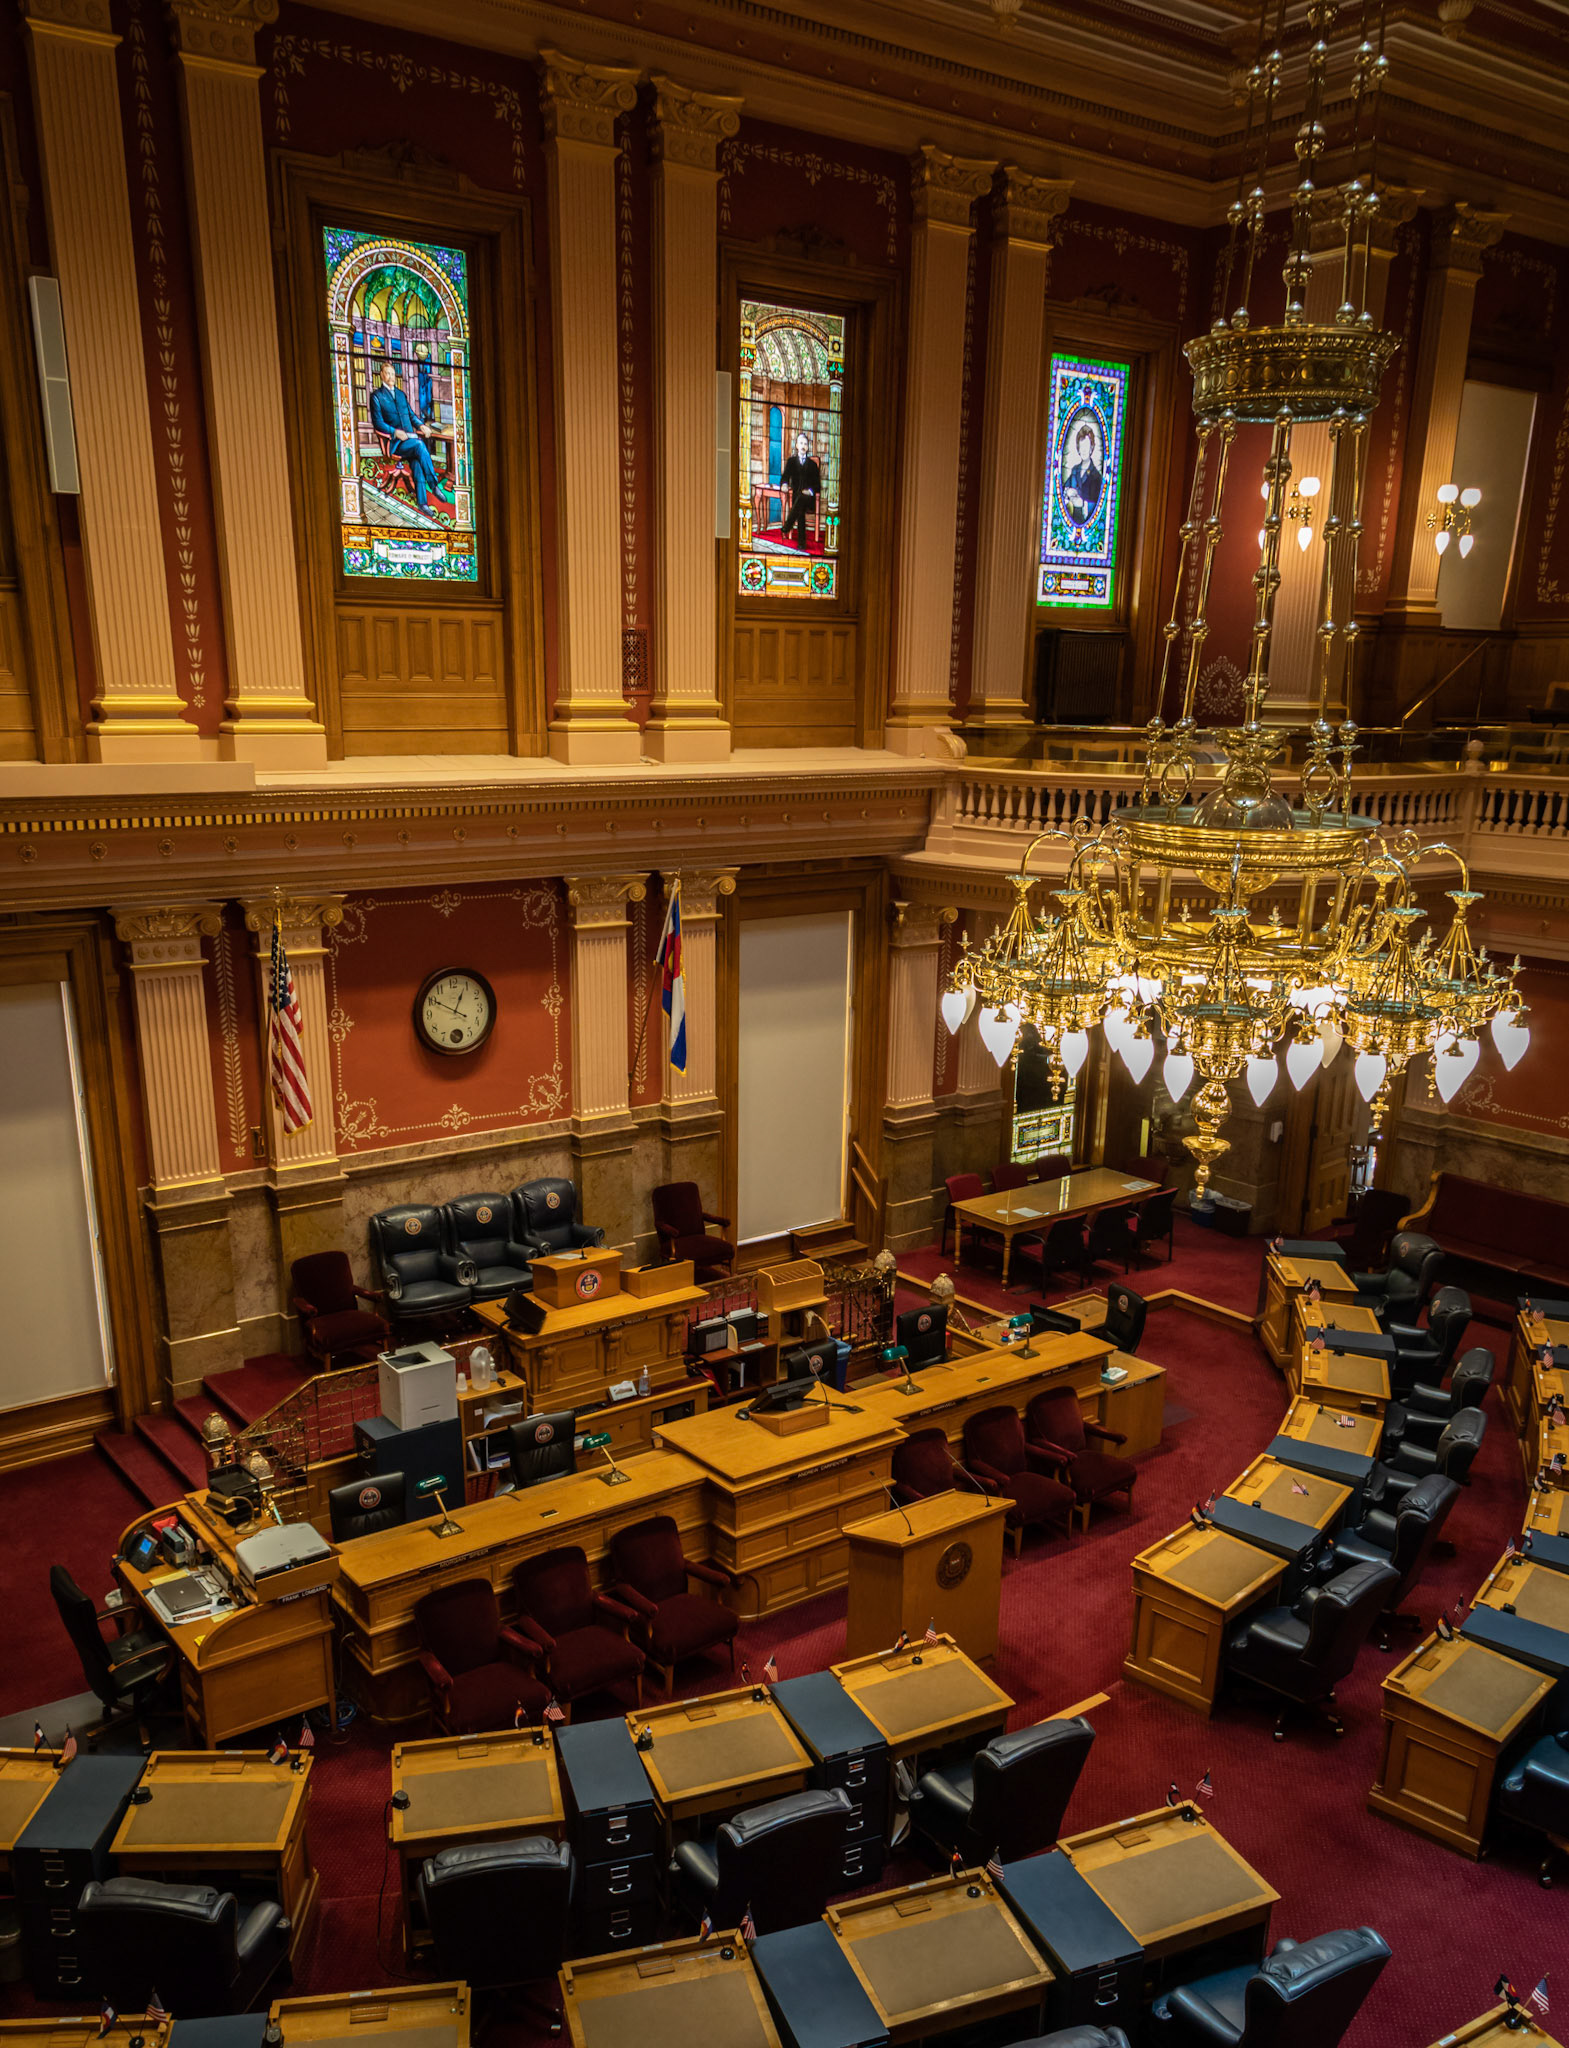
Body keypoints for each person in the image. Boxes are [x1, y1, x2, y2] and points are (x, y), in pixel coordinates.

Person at [368, 363, 450, 517]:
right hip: (394, 443)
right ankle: (433, 485)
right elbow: (378, 423)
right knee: (419, 446)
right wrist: (395, 432)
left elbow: (411, 415)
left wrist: (421, 425)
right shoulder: (377, 397)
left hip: (409, 441)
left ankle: (423, 503)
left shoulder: (400, 395)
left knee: (417, 460)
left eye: (393, 374)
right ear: (382, 375)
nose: (391, 377)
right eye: (387, 374)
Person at [779, 430, 822, 550]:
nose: (803, 446)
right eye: (801, 443)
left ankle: (788, 525)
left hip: (809, 500)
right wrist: (784, 484)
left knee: (802, 500)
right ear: (796, 446)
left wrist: (811, 491)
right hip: (797, 498)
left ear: (807, 447)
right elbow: (785, 477)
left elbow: (817, 485)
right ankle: (801, 544)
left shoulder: (813, 465)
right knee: (800, 507)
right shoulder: (791, 462)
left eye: (805, 444)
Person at [1063, 421, 1103, 525]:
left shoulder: (1096, 477)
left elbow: (1100, 506)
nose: (1084, 451)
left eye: (1086, 447)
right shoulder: (1075, 470)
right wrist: (1067, 492)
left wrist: (1083, 504)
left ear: (1092, 448)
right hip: (1071, 520)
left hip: (1087, 525)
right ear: (1078, 449)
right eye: (1081, 447)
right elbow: (1062, 490)